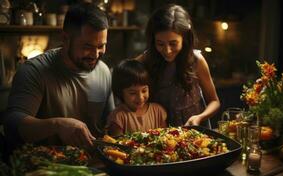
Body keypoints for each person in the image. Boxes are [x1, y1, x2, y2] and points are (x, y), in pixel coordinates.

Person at [3, 2, 114, 149]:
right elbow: (11, 125)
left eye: (101, 46)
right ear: (66, 39)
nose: (95, 54)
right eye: (87, 46)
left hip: (93, 166)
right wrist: (57, 125)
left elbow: (110, 125)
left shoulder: (103, 71)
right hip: (46, 166)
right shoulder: (34, 71)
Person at [136, 4, 220, 127]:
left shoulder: (196, 61)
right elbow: (123, 78)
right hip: (159, 131)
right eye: (160, 44)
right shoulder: (146, 59)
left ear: (184, 38)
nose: (167, 50)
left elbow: (214, 101)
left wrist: (199, 117)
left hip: (193, 130)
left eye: (173, 43)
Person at [106, 59, 167, 136]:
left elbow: (165, 139)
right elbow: (117, 146)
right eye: (133, 93)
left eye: (144, 91)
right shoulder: (118, 117)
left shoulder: (158, 112)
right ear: (120, 92)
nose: (140, 97)